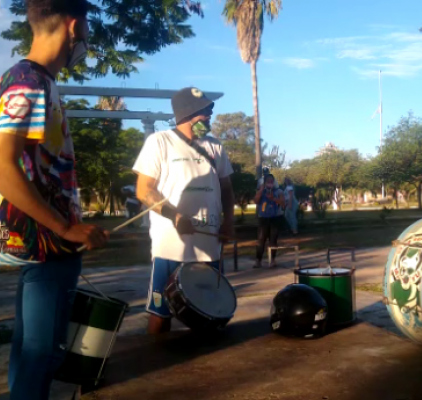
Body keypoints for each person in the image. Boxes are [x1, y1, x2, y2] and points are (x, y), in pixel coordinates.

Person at [0, 1, 110, 398]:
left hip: (43, 241)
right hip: (46, 242)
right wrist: (66, 227)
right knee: (42, 354)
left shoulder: (30, 79)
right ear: (75, 26)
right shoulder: (28, 82)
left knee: (32, 352)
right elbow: (3, 168)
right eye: (86, 32)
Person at [133, 87, 235, 335]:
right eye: (205, 112)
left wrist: (229, 222)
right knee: (161, 312)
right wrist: (174, 216)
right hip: (171, 247)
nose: (210, 116)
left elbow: (227, 190)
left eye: (210, 110)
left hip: (209, 249)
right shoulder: (159, 142)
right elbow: (144, 190)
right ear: (187, 113)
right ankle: (157, 364)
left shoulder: (215, 147)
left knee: (208, 313)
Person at [253, 174, 285, 269]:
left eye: (272, 181)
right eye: (268, 181)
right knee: (261, 239)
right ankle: (258, 260)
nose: (270, 183)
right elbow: (256, 200)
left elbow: (283, 203)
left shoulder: (279, 191)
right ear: (265, 182)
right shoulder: (261, 191)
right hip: (263, 218)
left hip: (275, 218)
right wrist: (261, 190)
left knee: (273, 239)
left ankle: (273, 260)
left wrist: (274, 199)